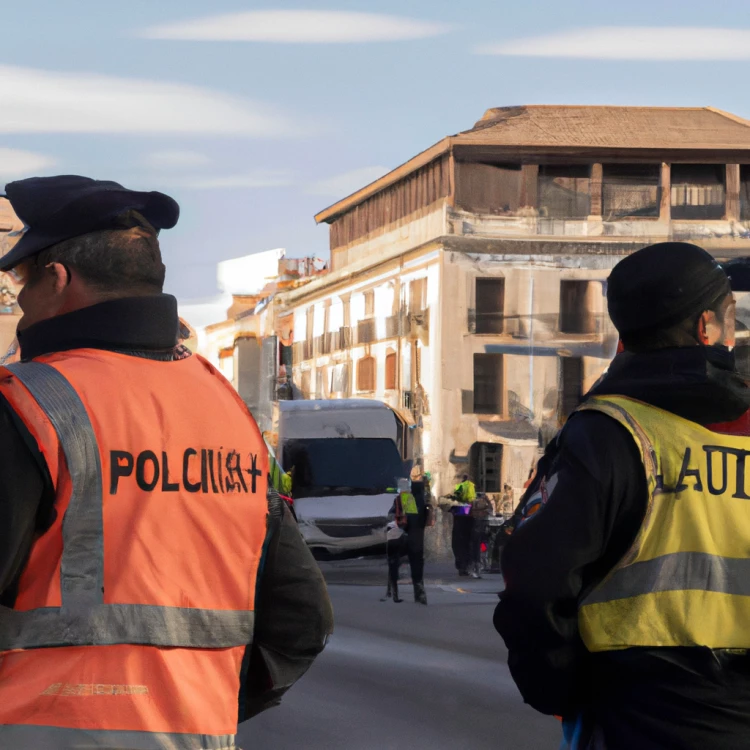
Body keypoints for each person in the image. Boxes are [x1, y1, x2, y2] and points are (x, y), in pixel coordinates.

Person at [0, 175, 334, 749]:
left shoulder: (27, 402)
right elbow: (302, 620)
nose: (20, 305)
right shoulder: (226, 410)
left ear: (58, 279)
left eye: (20, 285)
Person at [494, 241, 750, 750]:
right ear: (706, 329)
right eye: (731, 318)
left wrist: (565, 688)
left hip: (637, 715)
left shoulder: (609, 432)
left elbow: (533, 583)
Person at [386, 477, 428, 604]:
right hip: (417, 541)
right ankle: (419, 593)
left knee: (394, 563)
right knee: (417, 567)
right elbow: (424, 521)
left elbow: (403, 519)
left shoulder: (407, 499)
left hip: (404, 538)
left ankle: (393, 592)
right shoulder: (422, 501)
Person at [469, 492, 493, 578]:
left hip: (481, 533)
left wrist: (487, 500)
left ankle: (479, 567)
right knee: (476, 550)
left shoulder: (481, 511)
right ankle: (476, 568)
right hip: (477, 532)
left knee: (481, 549)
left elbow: (490, 510)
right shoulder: (477, 511)